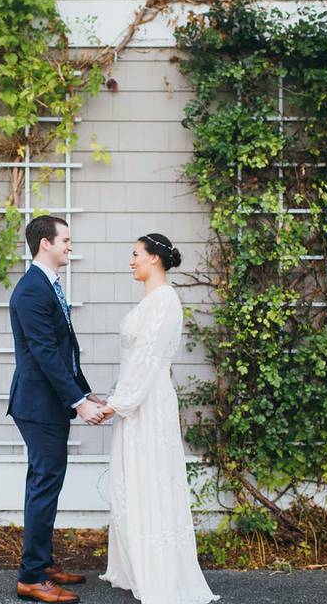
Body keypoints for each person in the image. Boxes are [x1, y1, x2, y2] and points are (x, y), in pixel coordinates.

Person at [98, 233, 220, 604]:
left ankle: (161, 572)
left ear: (154, 258)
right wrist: (118, 402)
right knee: (133, 478)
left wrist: (116, 403)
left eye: (135, 254)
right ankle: (136, 565)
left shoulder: (165, 302)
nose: (131, 261)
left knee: (151, 478)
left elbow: (148, 360)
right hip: (135, 401)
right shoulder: (151, 301)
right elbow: (136, 359)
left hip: (148, 404)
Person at [8, 215, 106, 604]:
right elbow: (45, 355)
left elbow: (66, 353)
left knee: (46, 484)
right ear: (44, 243)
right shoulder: (32, 290)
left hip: (47, 403)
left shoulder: (48, 285)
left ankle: (43, 564)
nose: (70, 245)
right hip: (37, 404)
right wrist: (78, 404)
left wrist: (87, 393)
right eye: (65, 239)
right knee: (44, 487)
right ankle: (31, 577)